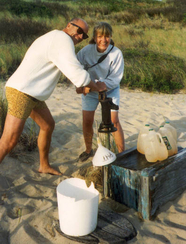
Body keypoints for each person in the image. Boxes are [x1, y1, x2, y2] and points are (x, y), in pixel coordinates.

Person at [0, 18, 104, 175]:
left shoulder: (56, 38)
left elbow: (73, 70)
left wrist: (83, 85)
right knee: (9, 141)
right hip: (22, 92)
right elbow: (76, 73)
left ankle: (44, 165)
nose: (80, 36)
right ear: (69, 26)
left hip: (32, 94)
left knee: (48, 125)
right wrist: (97, 87)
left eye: (84, 36)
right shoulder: (62, 39)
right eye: (79, 31)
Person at [76, 22, 125, 162]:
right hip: (90, 90)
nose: (103, 40)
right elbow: (76, 69)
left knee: (114, 121)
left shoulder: (116, 53)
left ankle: (122, 153)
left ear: (110, 37)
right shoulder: (86, 51)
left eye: (107, 36)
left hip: (110, 90)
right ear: (94, 37)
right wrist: (81, 84)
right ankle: (88, 150)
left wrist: (100, 85)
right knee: (87, 121)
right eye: (100, 36)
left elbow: (116, 78)